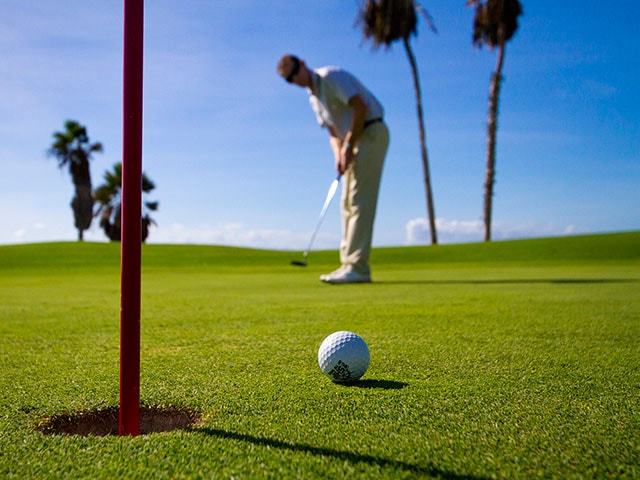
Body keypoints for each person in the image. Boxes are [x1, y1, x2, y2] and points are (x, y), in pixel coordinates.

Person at [277, 54, 390, 284]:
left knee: (359, 200)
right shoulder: (313, 98)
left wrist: (348, 144)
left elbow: (360, 107)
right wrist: (339, 154)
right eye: (289, 80)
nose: (295, 80)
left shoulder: (330, 77)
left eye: (294, 72)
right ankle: (348, 264)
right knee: (346, 204)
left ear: (303, 64)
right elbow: (331, 131)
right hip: (352, 141)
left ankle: (358, 266)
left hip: (370, 132)